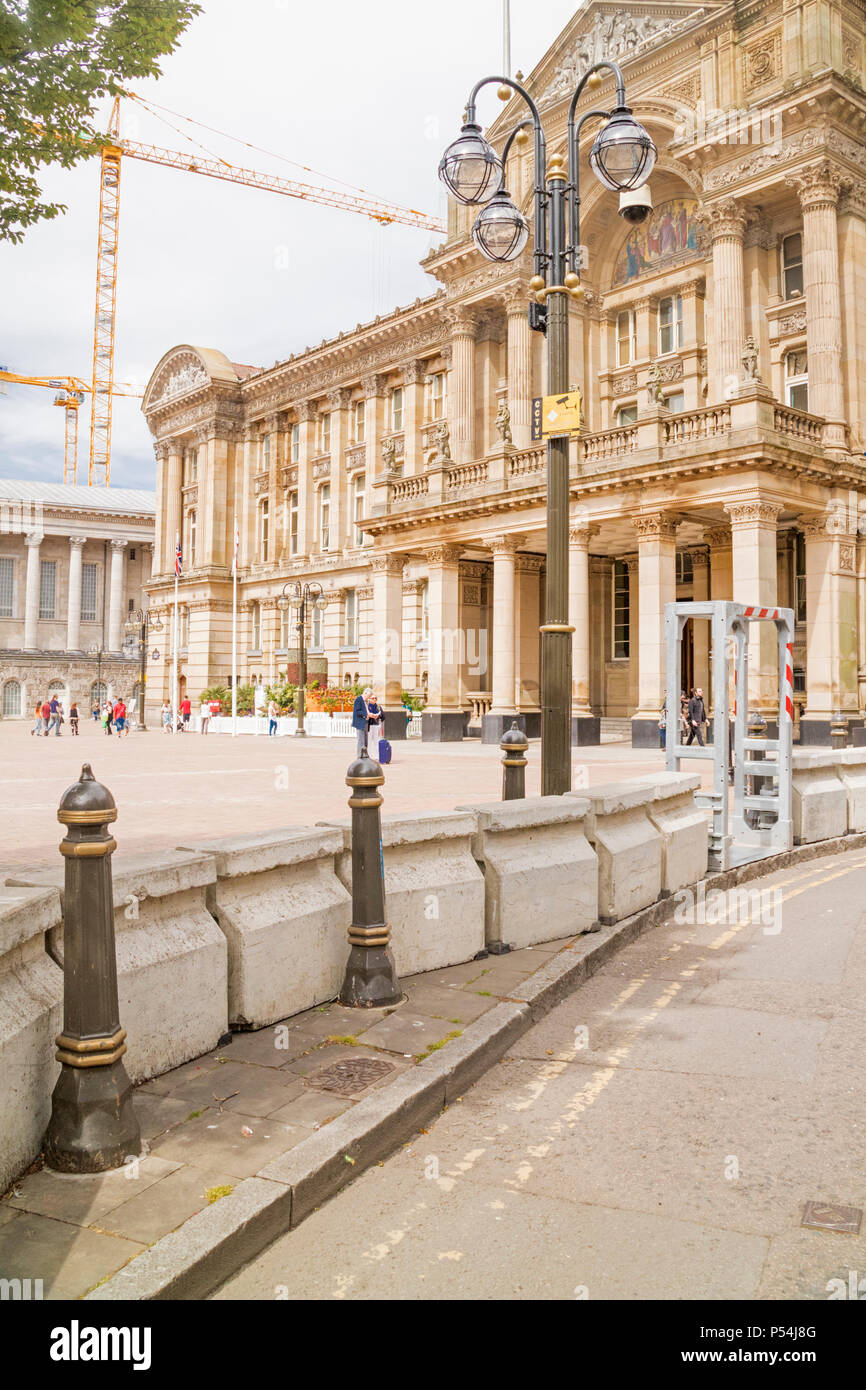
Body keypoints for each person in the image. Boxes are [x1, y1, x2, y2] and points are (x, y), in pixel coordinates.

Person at [352, 687, 371, 759]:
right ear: (365, 693)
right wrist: (366, 714)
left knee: (365, 741)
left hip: (366, 722)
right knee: (361, 740)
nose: (368, 698)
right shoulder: (358, 700)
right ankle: (359, 757)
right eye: (368, 696)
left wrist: (370, 714)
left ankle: (365, 755)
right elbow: (357, 711)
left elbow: (366, 710)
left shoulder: (366, 701)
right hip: (360, 723)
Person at [366, 692, 383, 762]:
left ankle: (376, 756)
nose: (374, 699)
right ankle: (369, 755)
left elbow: (382, 715)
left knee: (376, 741)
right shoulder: (367, 706)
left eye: (375, 698)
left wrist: (378, 716)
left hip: (376, 725)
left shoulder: (378, 707)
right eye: (372, 698)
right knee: (369, 741)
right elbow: (367, 714)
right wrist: (372, 716)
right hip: (369, 725)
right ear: (369, 699)